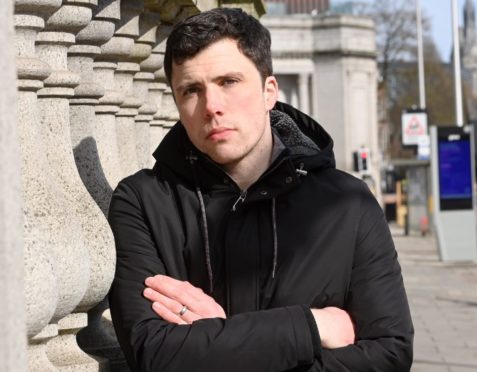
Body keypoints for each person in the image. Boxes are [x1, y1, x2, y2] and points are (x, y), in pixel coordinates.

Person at [108, 7, 413, 372]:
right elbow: (154, 355)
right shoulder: (140, 202)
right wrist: (312, 326)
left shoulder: (347, 203)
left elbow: (390, 356)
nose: (211, 107)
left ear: (270, 91)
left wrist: (216, 339)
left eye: (228, 82)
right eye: (191, 90)